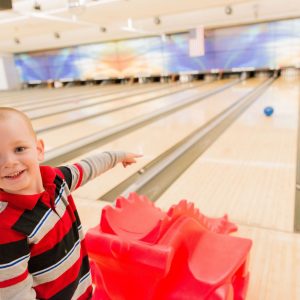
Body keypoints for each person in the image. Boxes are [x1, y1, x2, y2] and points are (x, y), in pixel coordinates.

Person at [0, 107, 142, 300]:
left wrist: (118, 156)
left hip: (82, 290)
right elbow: (14, 294)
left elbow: (89, 166)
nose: (9, 162)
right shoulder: (6, 228)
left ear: (39, 150)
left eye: (19, 149)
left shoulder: (57, 180)